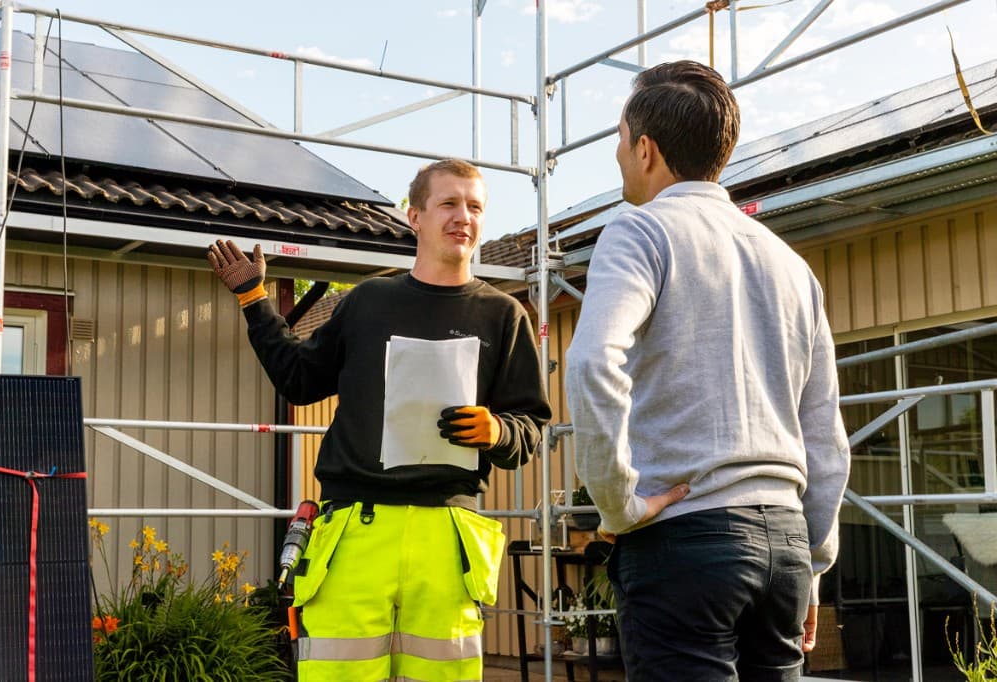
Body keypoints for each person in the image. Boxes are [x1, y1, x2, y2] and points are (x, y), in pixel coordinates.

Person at [207, 159, 551, 682]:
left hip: (447, 536)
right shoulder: (368, 302)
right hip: (354, 531)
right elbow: (299, 380)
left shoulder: (503, 316)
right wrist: (255, 300)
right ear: (414, 216)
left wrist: (498, 431)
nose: (464, 217)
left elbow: (531, 426)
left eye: (475, 207)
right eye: (449, 203)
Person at [564, 60, 850, 681]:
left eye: (619, 139)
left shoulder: (640, 231)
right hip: (785, 547)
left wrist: (617, 504)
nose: (616, 155)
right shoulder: (788, 263)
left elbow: (590, 362)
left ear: (645, 149)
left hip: (684, 542)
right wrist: (815, 563)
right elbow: (824, 432)